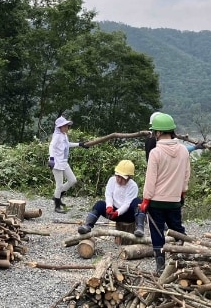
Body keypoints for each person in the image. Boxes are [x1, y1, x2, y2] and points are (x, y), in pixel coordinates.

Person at [139, 113, 190, 275]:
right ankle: (182, 259)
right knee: (177, 229)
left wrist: (145, 201)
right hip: (175, 200)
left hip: (156, 201)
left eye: (155, 131)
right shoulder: (183, 151)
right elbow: (186, 176)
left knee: (157, 232)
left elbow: (150, 180)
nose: (154, 134)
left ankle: (160, 265)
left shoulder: (155, 153)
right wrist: (182, 193)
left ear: (159, 132)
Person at [77, 160, 144, 235]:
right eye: (118, 176)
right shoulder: (112, 180)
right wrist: (109, 207)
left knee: (137, 202)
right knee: (99, 204)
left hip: (127, 214)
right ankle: (87, 226)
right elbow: (108, 195)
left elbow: (127, 204)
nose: (119, 180)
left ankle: (140, 228)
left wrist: (118, 212)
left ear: (129, 177)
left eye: (123, 178)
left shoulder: (133, 186)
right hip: (112, 212)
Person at [48, 116, 88, 213]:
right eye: (65, 126)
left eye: (67, 126)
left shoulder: (64, 135)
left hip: (64, 162)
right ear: (59, 127)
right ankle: (57, 206)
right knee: (59, 185)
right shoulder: (57, 136)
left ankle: (57, 196)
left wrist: (80, 144)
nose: (67, 127)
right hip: (56, 163)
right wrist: (51, 159)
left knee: (72, 180)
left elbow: (67, 144)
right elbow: (51, 146)